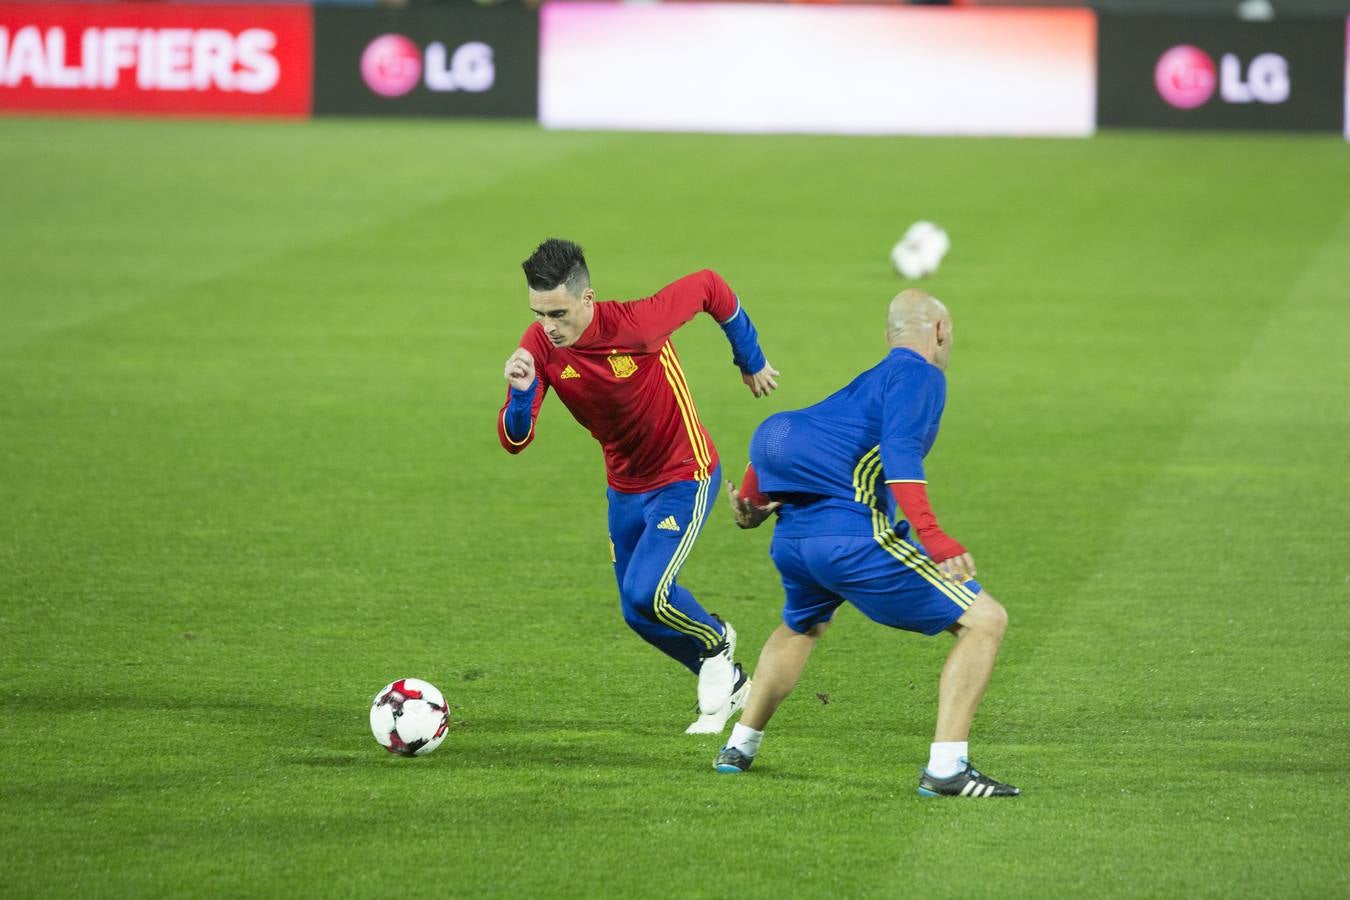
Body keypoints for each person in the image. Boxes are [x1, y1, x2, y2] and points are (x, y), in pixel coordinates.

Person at [713, 288, 1019, 797]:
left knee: (802, 625)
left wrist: (750, 503)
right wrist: (933, 536)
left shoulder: (862, 386)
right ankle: (947, 769)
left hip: (795, 540)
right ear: (941, 331)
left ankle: (739, 745)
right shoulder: (920, 375)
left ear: (887, 337)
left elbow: (783, 434)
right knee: (986, 620)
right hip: (849, 537)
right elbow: (900, 451)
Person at [499, 238, 780, 734]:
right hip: (624, 486)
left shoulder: (638, 323)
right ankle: (729, 680)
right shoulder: (539, 345)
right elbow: (516, 440)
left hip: (683, 472)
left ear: (588, 299)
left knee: (649, 591)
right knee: (637, 611)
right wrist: (521, 395)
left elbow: (710, 286)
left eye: (558, 313)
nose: (548, 327)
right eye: (539, 313)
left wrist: (750, 358)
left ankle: (717, 642)